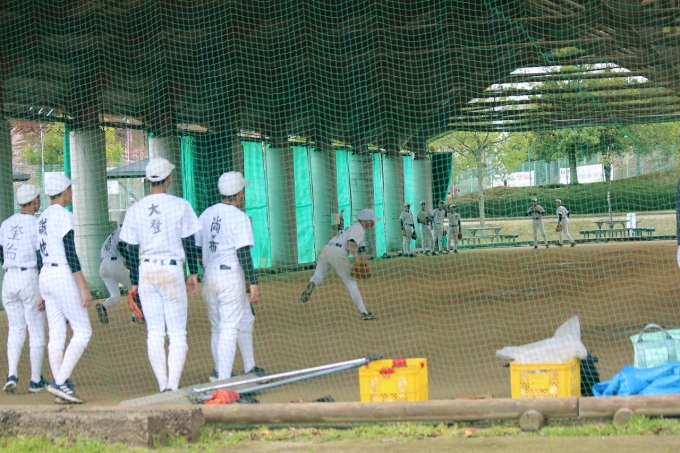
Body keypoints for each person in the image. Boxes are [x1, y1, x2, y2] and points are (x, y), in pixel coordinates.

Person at [119, 158, 201, 392]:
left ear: (147, 180)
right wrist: (193, 273)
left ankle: (162, 384)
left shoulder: (136, 208)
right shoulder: (180, 204)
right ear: (168, 179)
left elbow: (129, 248)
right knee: (177, 333)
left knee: (154, 333)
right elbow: (189, 241)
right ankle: (172, 386)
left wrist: (134, 282)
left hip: (146, 271)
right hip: (171, 270)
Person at [197, 171, 260, 381]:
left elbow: (196, 248)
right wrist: (253, 281)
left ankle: (247, 367)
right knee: (228, 329)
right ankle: (223, 380)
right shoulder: (239, 217)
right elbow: (243, 252)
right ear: (239, 193)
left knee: (236, 321)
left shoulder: (206, 214)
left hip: (210, 275)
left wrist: (207, 266)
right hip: (231, 275)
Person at [39, 174, 93, 404]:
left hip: (45, 275)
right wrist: (83, 287)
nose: (71, 193)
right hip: (61, 273)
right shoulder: (63, 215)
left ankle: (61, 387)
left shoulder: (42, 217)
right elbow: (70, 252)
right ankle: (60, 382)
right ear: (63, 192)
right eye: (69, 189)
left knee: (57, 334)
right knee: (83, 331)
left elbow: (38, 254)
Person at [1, 184, 48, 393]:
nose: (39, 200)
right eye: (38, 197)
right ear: (33, 200)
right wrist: (43, 288)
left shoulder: (6, 223)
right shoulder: (36, 224)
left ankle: (12, 374)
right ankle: (35, 380)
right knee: (36, 330)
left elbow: (1, 253)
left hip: (9, 278)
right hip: (29, 276)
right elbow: (41, 257)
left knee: (16, 328)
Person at [300, 209, 379, 321]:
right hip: (338, 252)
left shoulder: (354, 227)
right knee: (350, 282)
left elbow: (362, 250)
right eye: (372, 220)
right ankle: (364, 312)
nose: (373, 223)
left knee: (319, 275)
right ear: (365, 221)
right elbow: (351, 243)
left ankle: (312, 282)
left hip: (327, 248)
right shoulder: (359, 229)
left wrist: (366, 265)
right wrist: (357, 260)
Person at [95, 211, 133, 324]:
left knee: (115, 297)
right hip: (115, 265)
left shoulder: (113, 234)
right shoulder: (125, 232)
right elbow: (121, 246)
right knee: (136, 289)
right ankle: (135, 316)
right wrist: (131, 262)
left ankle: (103, 306)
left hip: (103, 267)